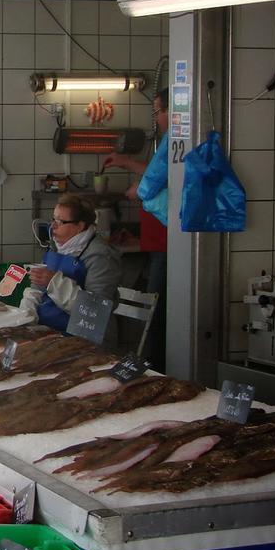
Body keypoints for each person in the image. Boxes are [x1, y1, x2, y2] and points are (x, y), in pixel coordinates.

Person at [103, 87, 170, 370]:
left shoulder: (177, 139)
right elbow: (157, 173)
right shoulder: (169, 141)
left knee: (156, 315)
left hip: (167, 246)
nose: (156, 118)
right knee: (154, 312)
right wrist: (127, 163)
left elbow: (156, 179)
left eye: (157, 111)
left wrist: (139, 190)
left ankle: (154, 368)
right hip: (156, 244)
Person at [21, 193, 122, 336]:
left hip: (86, 339)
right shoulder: (57, 246)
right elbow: (36, 289)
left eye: (60, 222)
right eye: (53, 219)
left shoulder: (101, 256)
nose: (52, 226)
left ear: (79, 226)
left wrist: (54, 282)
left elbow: (95, 310)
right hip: (51, 330)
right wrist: (26, 316)